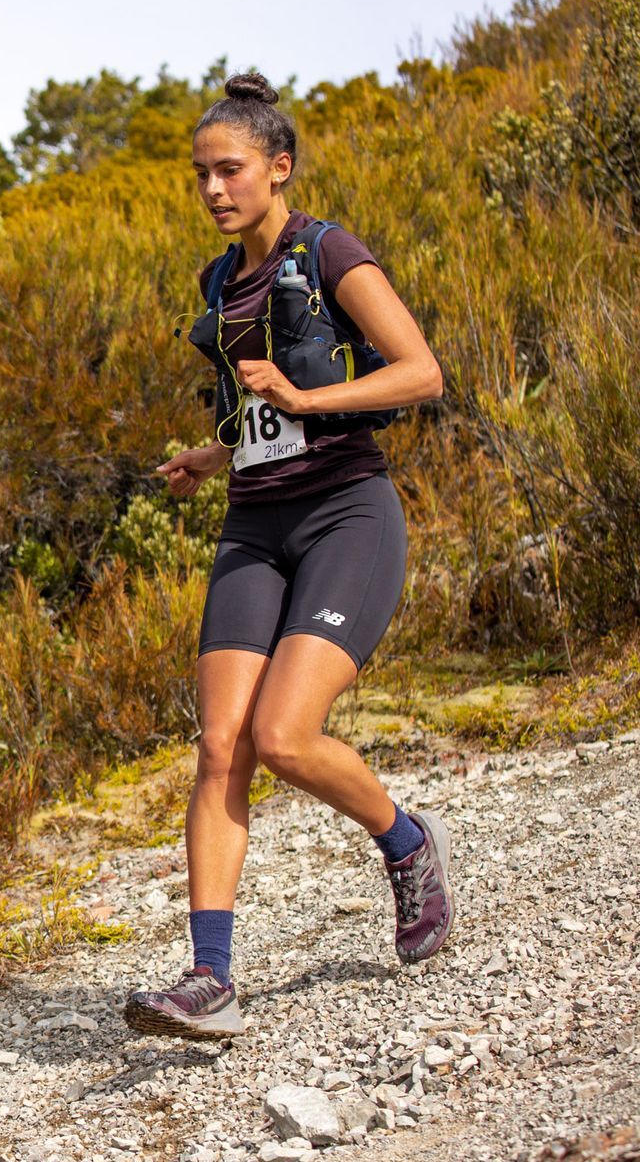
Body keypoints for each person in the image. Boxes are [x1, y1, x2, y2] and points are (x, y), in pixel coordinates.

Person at [121, 72, 454, 1041]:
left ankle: (406, 842)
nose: (214, 189)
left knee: (283, 736)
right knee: (220, 741)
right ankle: (210, 977)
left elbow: (420, 371)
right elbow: (256, 404)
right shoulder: (219, 283)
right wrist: (211, 451)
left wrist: (310, 403)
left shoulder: (329, 251)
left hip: (347, 515)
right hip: (253, 525)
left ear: (279, 168)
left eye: (230, 170)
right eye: (200, 175)